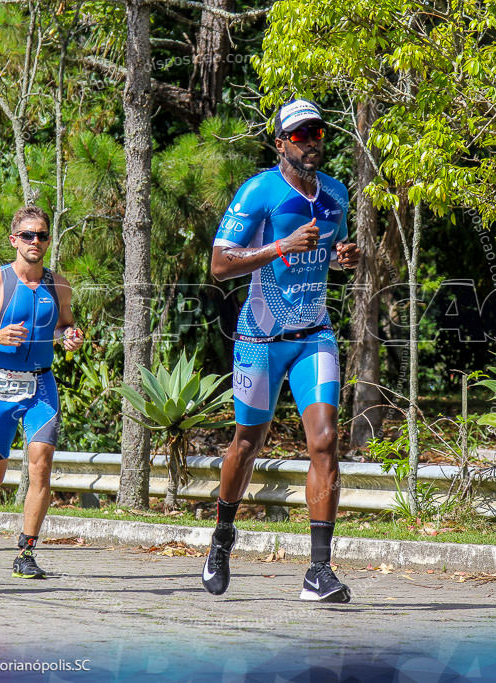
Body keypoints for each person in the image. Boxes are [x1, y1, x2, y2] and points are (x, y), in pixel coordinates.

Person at [204, 99, 361, 602]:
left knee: (325, 440)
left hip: (314, 334)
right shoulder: (258, 192)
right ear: (280, 144)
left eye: (317, 131)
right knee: (246, 445)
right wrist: (279, 246)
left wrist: (343, 259)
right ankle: (223, 538)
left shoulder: (336, 193)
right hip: (259, 340)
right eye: (299, 134)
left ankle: (318, 571)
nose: (311, 139)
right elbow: (219, 265)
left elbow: (326, 257)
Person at [0, 205, 83, 579]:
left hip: (41, 385)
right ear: (13, 240)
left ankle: (26, 552)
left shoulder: (60, 286)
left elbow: (65, 327)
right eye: (27, 235)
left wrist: (69, 337)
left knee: (40, 466)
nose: (35, 241)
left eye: (41, 235)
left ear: (48, 240)